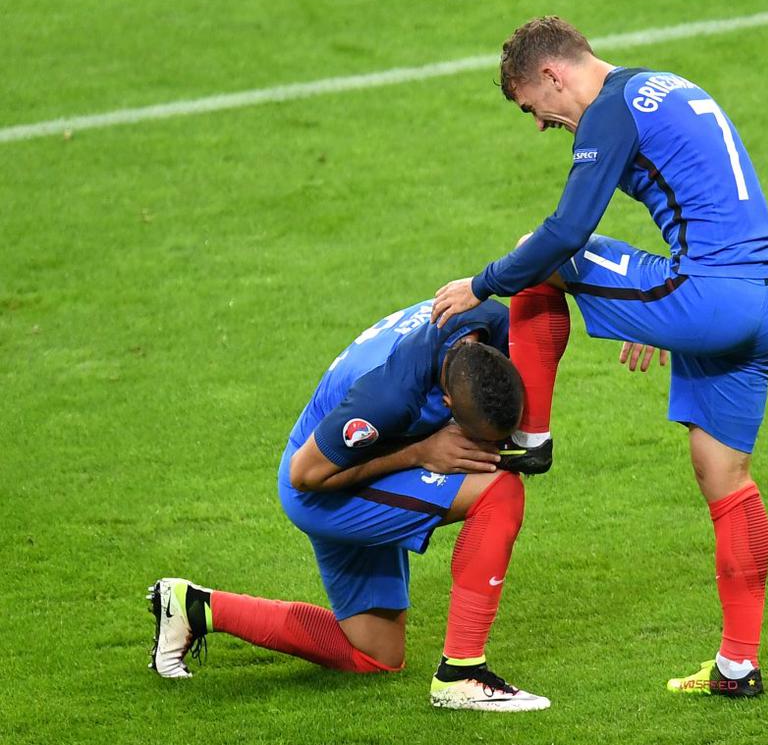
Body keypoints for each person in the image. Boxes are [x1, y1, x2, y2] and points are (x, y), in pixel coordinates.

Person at [431, 16, 768, 697]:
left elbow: (567, 232)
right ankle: (736, 666)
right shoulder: (664, 84)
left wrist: (479, 284)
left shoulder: (608, 109)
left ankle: (529, 435)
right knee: (724, 474)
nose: (540, 125)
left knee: (534, 252)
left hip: (709, 297)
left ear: (552, 75)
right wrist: (660, 312)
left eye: (531, 108)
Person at [148, 299, 550, 712]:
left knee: (376, 655)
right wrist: (421, 453)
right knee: (500, 491)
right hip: (323, 484)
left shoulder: (489, 322)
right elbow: (305, 474)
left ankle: (193, 607)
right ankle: (461, 673)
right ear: (447, 403)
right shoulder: (390, 396)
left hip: (356, 453)